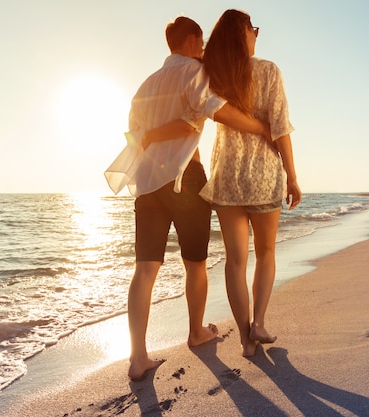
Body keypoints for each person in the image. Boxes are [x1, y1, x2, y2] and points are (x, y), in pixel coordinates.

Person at [105, 16, 270, 381]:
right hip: (185, 178)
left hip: (148, 183)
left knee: (145, 269)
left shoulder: (144, 86)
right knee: (195, 262)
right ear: (195, 40)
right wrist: (259, 126)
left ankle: (138, 358)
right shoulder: (193, 71)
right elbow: (213, 110)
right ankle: (196, 332)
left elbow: (135, 138)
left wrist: (156, 133)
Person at [199, 9, 302, 357]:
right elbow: (280, 127)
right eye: (254, 29)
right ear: (244, 32)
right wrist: (292, 175)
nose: (256, 35)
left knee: (235, 261)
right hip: (262, 175)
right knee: (267, 252)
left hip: (227, 175)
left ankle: (245, 341)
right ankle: (258, 322)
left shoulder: (213, 74)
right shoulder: (268, 70)